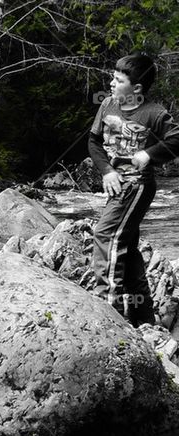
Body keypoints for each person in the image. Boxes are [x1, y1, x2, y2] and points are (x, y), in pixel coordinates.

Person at [87, 52, 179, 327]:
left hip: (137, 186)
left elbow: (177, 139)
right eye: (112, 78)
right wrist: (107, 171)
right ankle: (144, 321)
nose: (111, 84)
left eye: (118, 80)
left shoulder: (154, 113)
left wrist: (149, 154)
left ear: (136, 88)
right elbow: (93, 142)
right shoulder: (106, 106)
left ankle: (107, 310)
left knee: (106, 234)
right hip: (116, 184)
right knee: (126, 246)